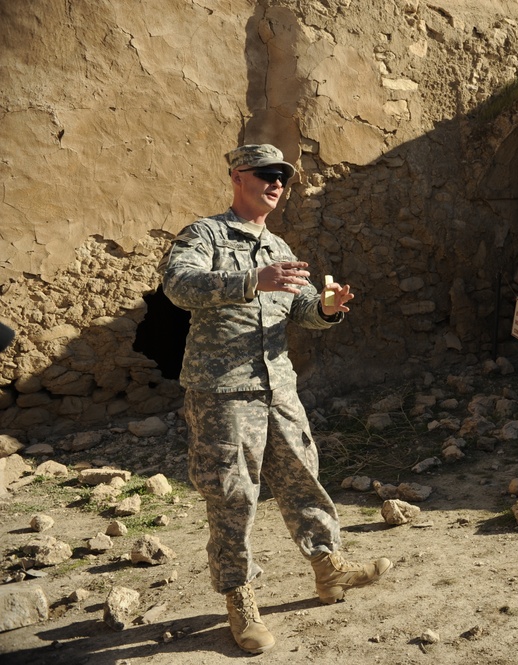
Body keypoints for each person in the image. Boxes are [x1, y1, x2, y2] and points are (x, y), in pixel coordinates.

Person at [158, 144, 391, 653]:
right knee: (232, 494)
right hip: (222, 390)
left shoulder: (279, 246)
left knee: (303, 477)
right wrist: (250, 281)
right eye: (266, 174)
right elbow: (178, 286)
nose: (277, 183)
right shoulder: (205, 234)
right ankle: (239, 599)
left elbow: (298, 308)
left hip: (277, 386)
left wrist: (327, 309)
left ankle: (329, 569)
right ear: (238, 177)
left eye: (282, 176)